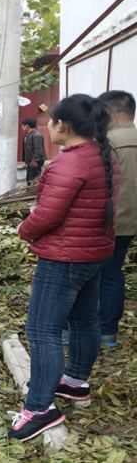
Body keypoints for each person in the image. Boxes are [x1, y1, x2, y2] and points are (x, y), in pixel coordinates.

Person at [9, 94, 120, 442]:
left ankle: (40, 409)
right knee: (85, 319)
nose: (49, 127)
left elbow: (47, 215)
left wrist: (23, 230)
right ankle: (74, 381)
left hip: (64, 258)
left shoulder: (67, 163)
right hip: (93, 253)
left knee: (42, 330)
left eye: (51, 122)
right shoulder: (103, 157)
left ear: (62, 125)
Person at [98, 90, 137, 349]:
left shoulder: (106, 142)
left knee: (105, 276)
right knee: (113, 274)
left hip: (113, 222)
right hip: (131, 221)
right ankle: (107, 334)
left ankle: (102, 333)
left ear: (109, 113)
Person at [21, 118, 46, 184]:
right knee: (29, 180)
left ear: (27, 126)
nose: (22, 127)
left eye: (22, 126)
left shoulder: (36, 135)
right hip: (30, 162)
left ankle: (33, 193)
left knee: (34, 181)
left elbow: (38, 150)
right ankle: (30, 192)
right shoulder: (27, 135)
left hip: (34, 163)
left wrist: (35, 161)